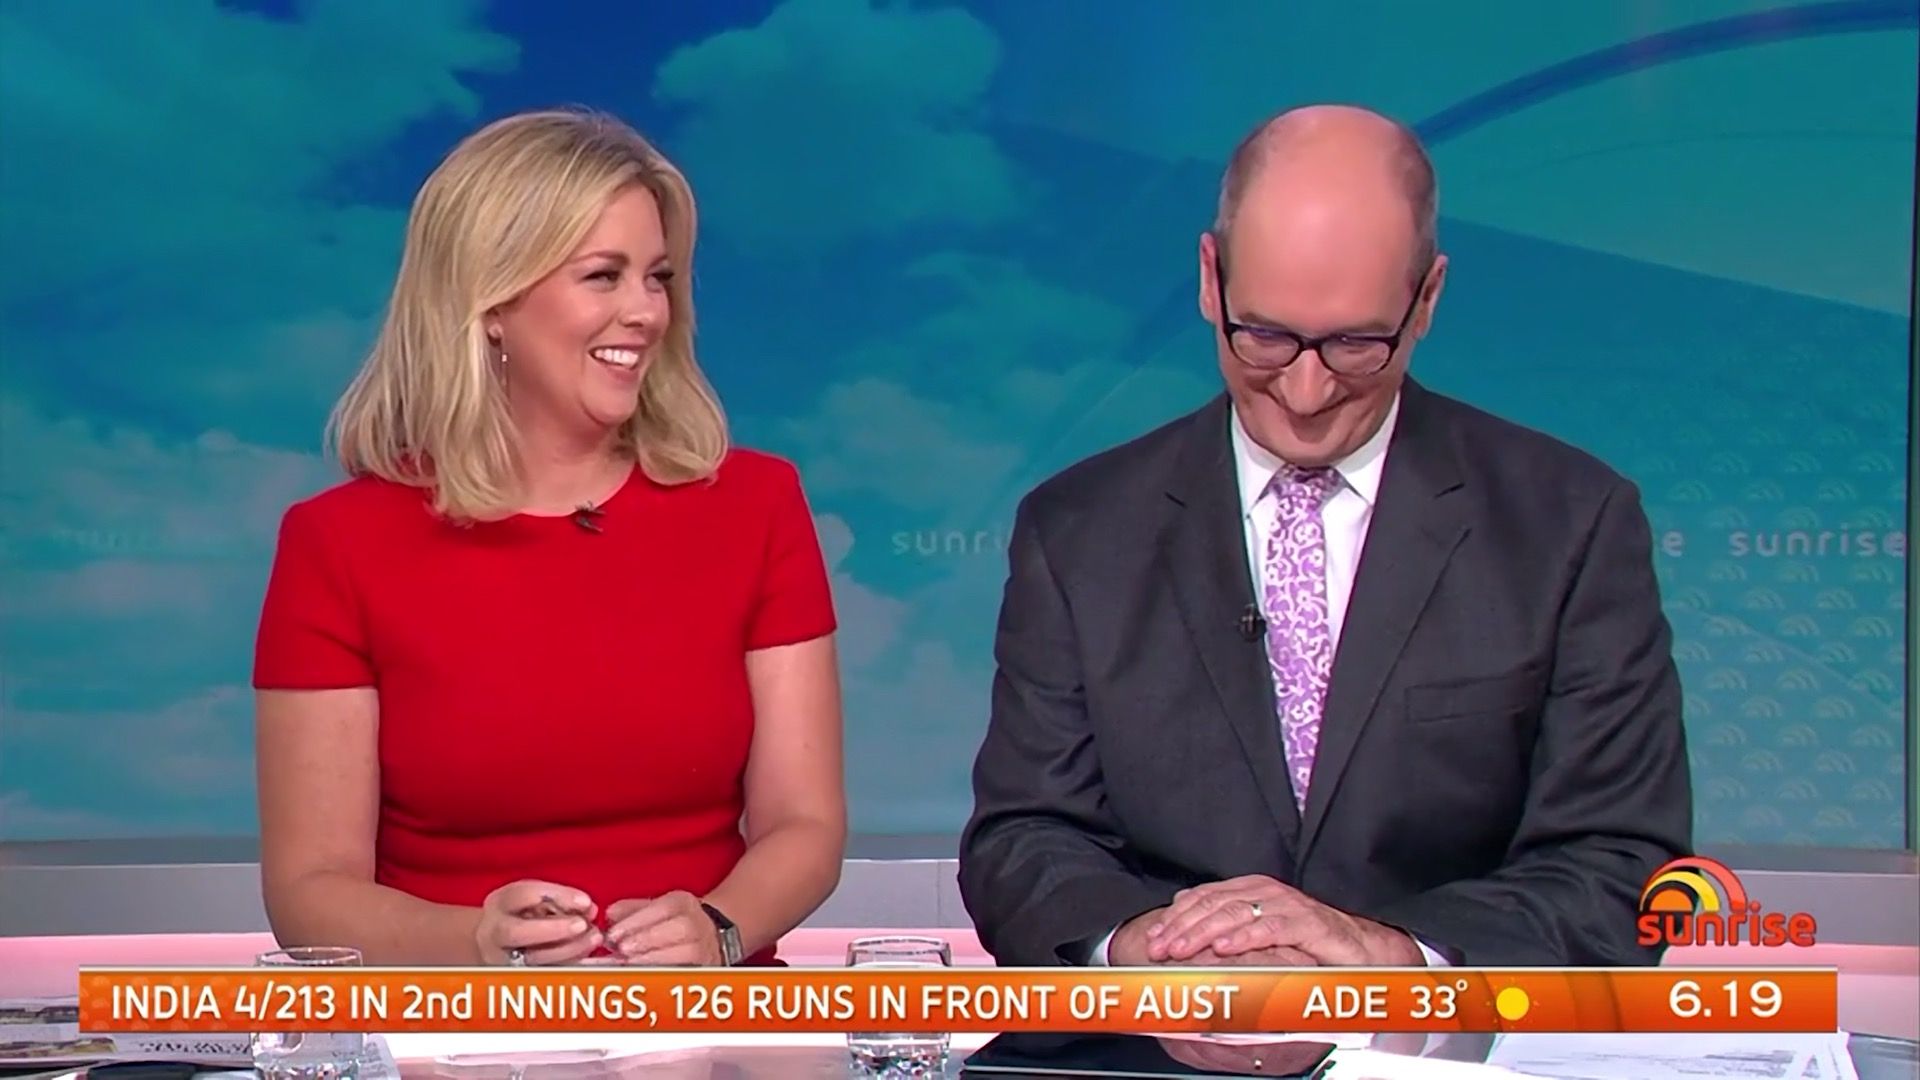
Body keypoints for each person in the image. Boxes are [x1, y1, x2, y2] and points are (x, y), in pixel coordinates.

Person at [957, 104, 1691, 969]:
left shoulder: (1570, 524)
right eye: (1264, 337)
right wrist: (1149, 952)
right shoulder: (1078, 530)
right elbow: (1026, 837)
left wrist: (1389, 957)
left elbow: (1621, 863)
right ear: (1209, 279)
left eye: (1355, 345)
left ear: (1427, 299)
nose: (1305, 393)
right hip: (1156, 1029)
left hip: (1444, 1033)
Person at [252, 108, 846, 967]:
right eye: (603, 276)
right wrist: (474, 943)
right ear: (492, 302)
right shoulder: (337, 545)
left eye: (658, 277)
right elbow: (310, 891)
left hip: (707, 1013)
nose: (645, 312)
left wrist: (720, 928)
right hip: (455, 1020)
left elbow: (806, 824)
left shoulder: (757, 505)